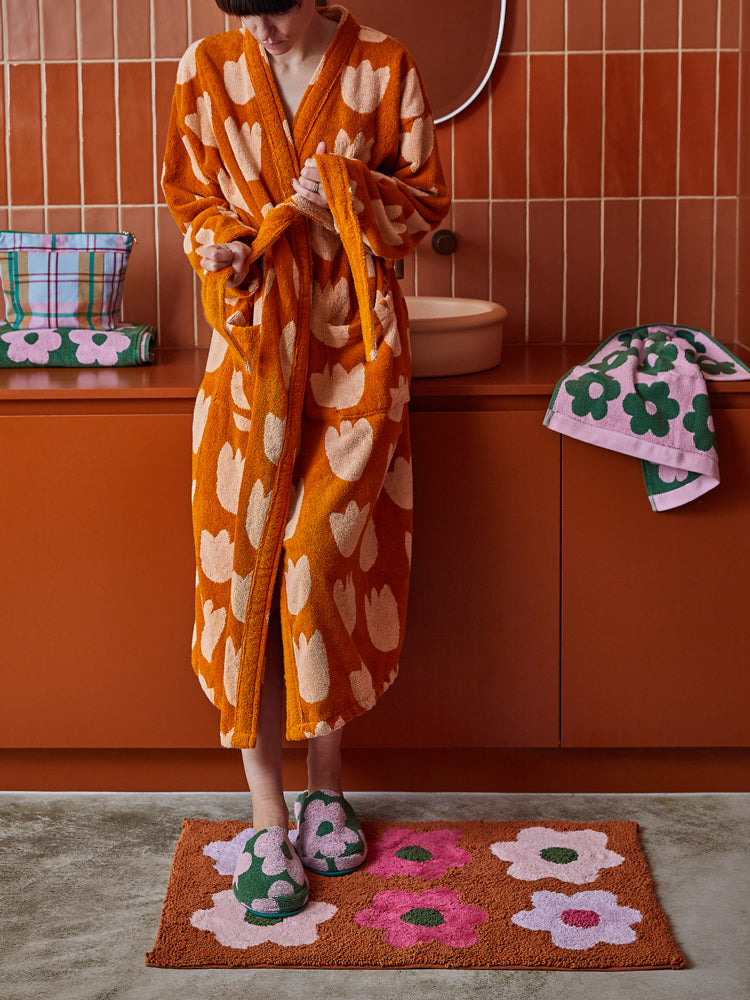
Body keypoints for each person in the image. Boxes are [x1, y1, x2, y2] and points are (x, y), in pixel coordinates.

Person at [162, 0, 449, 918]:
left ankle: (327, 788)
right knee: (247, 574)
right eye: (242, 12)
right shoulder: (206, 68)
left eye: (275, 9)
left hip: (355, 360)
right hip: (252, 357)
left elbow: (427, 205)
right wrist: (225, 248)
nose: (262, 32)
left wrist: (350, 193)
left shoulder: (385, 66)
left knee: (317, 566)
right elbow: (192, 197)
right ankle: (266, 814)